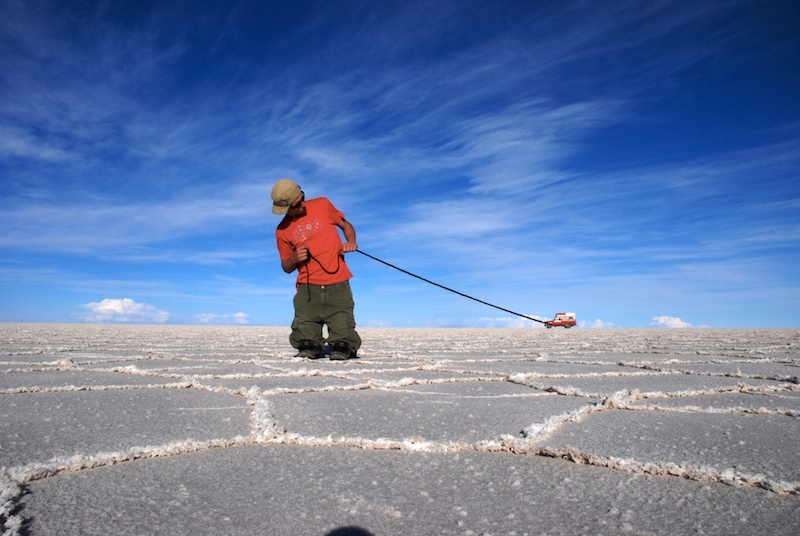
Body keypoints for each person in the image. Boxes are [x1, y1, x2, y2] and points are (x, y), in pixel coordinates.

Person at [271, 178, 361, 360]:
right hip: (307, 289)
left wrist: (351, 242)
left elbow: (346, 225)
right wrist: (295, 258)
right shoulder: (282, 231)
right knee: (306, 340)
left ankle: (341, 345)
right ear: (286, 208)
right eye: (296, 206)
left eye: (302, 199)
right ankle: (311, 344)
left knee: (342, 341)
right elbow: (286, 267)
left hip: (338, 284)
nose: (302, 205)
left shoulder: (322, 204)